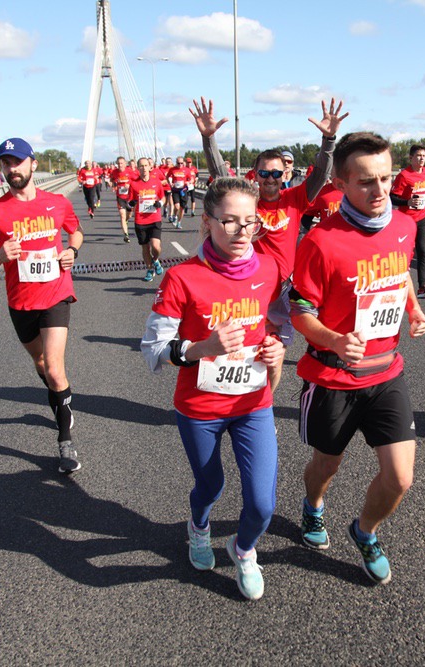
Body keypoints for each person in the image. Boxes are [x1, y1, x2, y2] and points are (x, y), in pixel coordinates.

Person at [289, 132, 425, 585]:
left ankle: (365, 531)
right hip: (333, 377)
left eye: (385, 178)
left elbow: (399, 272)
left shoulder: (404, 225)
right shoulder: (321, 241)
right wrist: (333, 339)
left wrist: (413, 310)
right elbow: (300, 311)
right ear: (341, 183)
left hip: (386, 372)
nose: (380, 189)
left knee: (401, 478)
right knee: (326, 466)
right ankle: (313, 506)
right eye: (366, 181)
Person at [141, 177, 285, 600]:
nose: (242, 232)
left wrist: (277, 345)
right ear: (207, 222)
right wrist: (203, 347)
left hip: (253, 403)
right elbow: (152, 350)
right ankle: (199, 526)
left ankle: (243, 549)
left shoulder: (270, 269)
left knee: (263, 504)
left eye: (250, 222)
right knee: (211, 486)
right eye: (229, 221)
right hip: (200, 407)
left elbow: (280, 320)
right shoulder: (182, 277)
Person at [190, 96, 347, 391]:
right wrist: (208, 138)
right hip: (248, 286)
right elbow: (220, 176)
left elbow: (322, 172)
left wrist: (329, 140)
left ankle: (264, 404)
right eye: (264, 173)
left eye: (276, 173)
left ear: (284, 174)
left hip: (284, 289)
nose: (271, 179)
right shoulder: (247, 200)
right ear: (256, 175)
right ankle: (232, 399)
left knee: (274, 356)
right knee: (244, 350)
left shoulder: (296, 198)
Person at [0, 137, 83, 474]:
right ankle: (60, 400)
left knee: (55, 368)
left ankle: (65, 441)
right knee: (41, 363)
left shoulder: (57, 203)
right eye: (6, 163)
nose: (12, 169)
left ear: (33, 164)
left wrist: (72, 251)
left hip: (56, 293)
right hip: (21, 302)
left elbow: (76, 232)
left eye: (17, 162)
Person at [391, 144, 425, 298]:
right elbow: (392, 197)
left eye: (423, 156)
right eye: (418, 156)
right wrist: (407, 202)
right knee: (405, 254)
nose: (421, 159)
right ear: (411, 158)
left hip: (422, 218)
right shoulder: (404, 175)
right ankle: (398, 284)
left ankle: (422, 287)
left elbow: (423, 191)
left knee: (422, 251)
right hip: (407, 221)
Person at [126, 157, 166, 282]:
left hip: (154, 218)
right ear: (138, 168)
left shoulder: (156, 182)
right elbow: (128, 203)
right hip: (140, 220)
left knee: (156, 246)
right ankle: (149, 269)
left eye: (146, 165)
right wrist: (131, 204)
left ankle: (155, 260)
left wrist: (160, 203)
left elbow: (163, 197)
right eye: (141, 166)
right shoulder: (134, 184)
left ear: (150, 167)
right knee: (145, 248)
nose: (144, 168)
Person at [109, 156, 137, 243]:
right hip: (120, 197)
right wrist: (112, 184)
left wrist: (130, 184)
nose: (120, 165)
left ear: (125, 164)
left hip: (130, 197)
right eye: (118, 163)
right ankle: (126, 235)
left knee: (129, 215)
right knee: (122, 215)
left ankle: (126, 221)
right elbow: (112, 179)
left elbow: (137, 181)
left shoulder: (130, 172)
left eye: (121, 163)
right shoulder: (114, 172)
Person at [168, 158, 191, 229]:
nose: (180, 165)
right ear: (176, 163)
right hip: (175, 190)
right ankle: (175, 216)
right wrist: (170, 183)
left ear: (183, 163)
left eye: (181, 163)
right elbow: (168, 176)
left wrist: (188, 182)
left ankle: (179, 222)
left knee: (182, 208)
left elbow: (191, 179)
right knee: (177, 206)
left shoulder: (186, 170)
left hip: (183, 190)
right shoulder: (172, 169)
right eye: (178, 163)